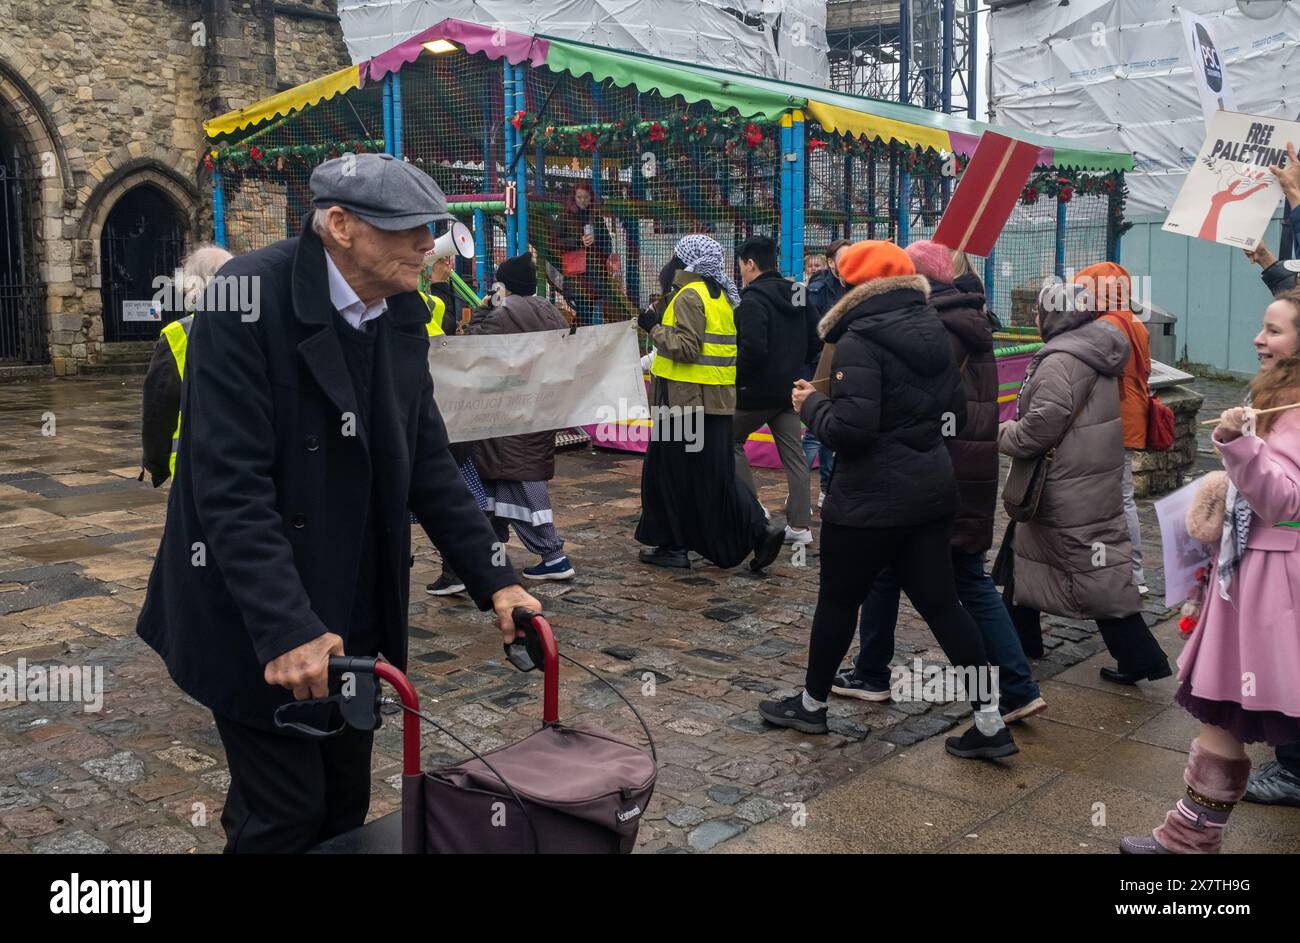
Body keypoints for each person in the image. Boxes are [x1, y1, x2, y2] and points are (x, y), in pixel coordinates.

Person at [135, 153, 541, 853]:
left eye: (430, 228)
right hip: (256, 611)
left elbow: (428, 463)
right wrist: (288, 626)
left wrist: (496, 576)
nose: (427, 243)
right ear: (341, 226)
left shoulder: (403, 312)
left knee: (345, 805)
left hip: (354, 603)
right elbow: (228, 486)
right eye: (408, 228)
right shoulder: (247, 297)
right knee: (285, 813)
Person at [759, 240, 1017, 760]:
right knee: (945, 606)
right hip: (929, 495)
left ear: (855, 286)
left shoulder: (860, 339)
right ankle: (990, 721)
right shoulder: (934, 332)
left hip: (868, 502)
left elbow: (851, 433)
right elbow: (956, 418)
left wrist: (811, 405)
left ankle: (811, 705)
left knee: (837, 601)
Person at [832, 240, 1046, 723]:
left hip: (936, 469)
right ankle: (871, 671)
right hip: (964, 466)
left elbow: (910, 408)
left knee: (964, 582)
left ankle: (1013, 686)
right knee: (894, 575)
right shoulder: (969, 319)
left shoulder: (932, 328)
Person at [1123, 289, 1300, 852]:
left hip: (1278, 585)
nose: (1259, 338)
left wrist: (1241, 446)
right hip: (1253, 578)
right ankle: (1186, 840)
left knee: (1234, 707)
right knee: (1221, 713)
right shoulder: (1280, 394)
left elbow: (1287, 502)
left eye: (1274, 331)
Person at [999, 281, 1170, 685]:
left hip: (1063, 489)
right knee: (1023, 552)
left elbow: (1037, 431)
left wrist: (1002, 431)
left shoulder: (1061, 360)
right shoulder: (1095, 350)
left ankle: (1143, 658)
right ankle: (1021, 639)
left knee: (1096, 577)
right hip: (1084, 481)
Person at [635, 234, 785, 572]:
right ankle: (758, 527)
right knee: (712, 475)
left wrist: (653, 327)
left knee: (670, 476)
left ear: (687, 262)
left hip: (683, 404)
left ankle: (674, 546)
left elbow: (685, 348)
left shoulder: (689, 296)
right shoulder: (721, 298)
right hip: (715, 402)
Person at [462, 253, 576, 581]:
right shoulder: (549, 311)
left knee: (518, 483)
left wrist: (483, 309)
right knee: (505, 482)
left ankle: (553, 555)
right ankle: (494, 554)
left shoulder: (503, 314)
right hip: (539, 408)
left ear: (504, 284)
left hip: (505, 413)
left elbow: (474, 349)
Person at [732, 234, 815, 545]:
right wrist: (795, 365)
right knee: (794, 456)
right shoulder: (798, 292)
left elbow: (754, 349)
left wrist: (737, 377)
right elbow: (815, 338)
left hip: (755, 393)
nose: (740, 271)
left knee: (728, 440)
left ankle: (755, 512)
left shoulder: (751, 300)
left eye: (740, 264)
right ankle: (801, 526)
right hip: (789, 391)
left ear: (751, 263)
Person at [1075, 262, 1150, 594]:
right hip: (1130, 415)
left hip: (1112, 418)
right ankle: (1127, 569)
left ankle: (1130, 572)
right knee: (1122, 496)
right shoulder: (1133, 321)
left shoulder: (1106, 328)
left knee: (1114, 497)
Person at [139, 244, 233, 487]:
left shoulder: (177, 335)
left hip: (196, 464)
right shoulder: (265, 327)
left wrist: (155, 463)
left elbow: (158, 409)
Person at [803, 238, 850, 506]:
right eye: (843, 259)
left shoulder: (855, 284)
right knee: (814, 432)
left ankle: (826, 487)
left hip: (847, 367)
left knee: (831, 430)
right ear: (832, 263)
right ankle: (798, 490)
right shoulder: (819, 289)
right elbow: (813, 329)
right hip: (823, 367)